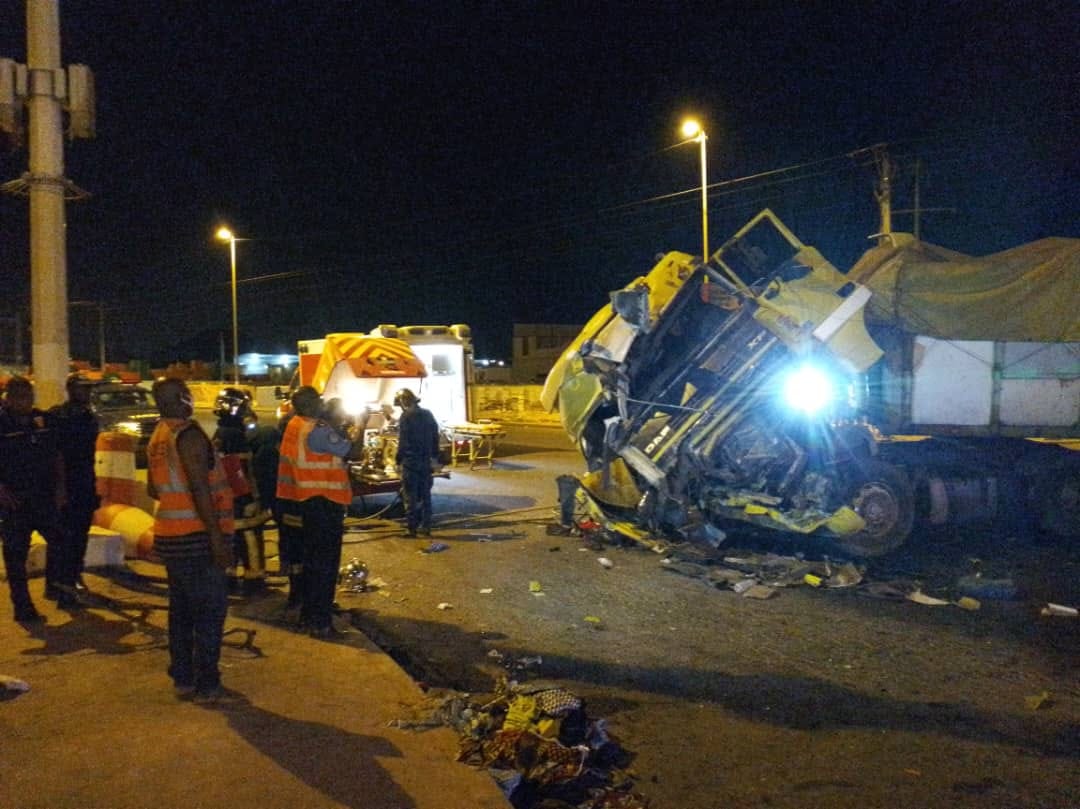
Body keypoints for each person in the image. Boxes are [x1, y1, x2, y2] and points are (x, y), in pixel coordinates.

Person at [146, 377, 234, 698]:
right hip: (198, 539)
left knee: (180, 611)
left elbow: (153, 489)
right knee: (210, 612)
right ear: (184, 399)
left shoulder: (158, 437)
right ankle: (207, 681)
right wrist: (218, 539)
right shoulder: (190, 436)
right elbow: (199, 488)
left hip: (171, 539)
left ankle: (182, 676)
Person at [276, 386, 360, 638]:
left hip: (303, 500)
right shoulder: (317, 430)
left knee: (312, 563)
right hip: (325, 502)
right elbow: (354, 452)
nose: (322, 404)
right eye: (318, 401)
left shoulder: (295, 425)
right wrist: (362, 423)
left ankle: (308, 615)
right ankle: (321, 623)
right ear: (310, 404)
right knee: (325, 567)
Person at [0, 376, 70, 620]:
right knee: (16, 555)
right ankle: (23, 607)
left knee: (61, 540)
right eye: (19, 396)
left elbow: (57, 455)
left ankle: (56, 586)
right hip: (14, 501)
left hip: (43, 497)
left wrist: (60, 488)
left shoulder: (42, 421)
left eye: (29, 396)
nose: (25, 402)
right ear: (7, 398)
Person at [47, 374, 100, 597]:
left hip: (84, 481)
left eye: (89, 389)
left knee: (80, 533)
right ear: (70, 390)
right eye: (82, 388)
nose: (87, 393)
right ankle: (57, 582)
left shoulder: (89, 416)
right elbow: (54, 453)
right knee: (61, 535)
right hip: (65, 483)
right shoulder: (57, 415)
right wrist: (59, 488)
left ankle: (73, 574)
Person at [212, 388, 267, 594]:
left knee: (230, 537)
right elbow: (239, 469)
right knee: (250, 535)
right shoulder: (234, 434)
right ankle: (254, 580)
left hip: (225, 496)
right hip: (240, 496)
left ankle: (229, 578)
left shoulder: (221, 432)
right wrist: (253, 497)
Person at [393, 388, 441, 538]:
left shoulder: (406, 416)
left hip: (410, 462)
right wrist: (434, 455)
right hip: (425, 462)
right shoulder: (428, 414)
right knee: (425, 496)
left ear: (403, 401)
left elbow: (403, 441)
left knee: (410, 497)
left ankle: (411, 529)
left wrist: (398, 459)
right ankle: (426, 527)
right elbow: (435, 436)